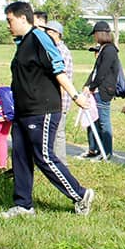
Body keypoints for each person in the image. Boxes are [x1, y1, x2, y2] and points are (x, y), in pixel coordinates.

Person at [0, 1, 94, 218]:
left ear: (23, 18)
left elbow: (58, 68)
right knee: (21, 157)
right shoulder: (22, 43)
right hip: (23, 111)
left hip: (42, 109)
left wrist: (76, 96)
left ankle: (80, 194)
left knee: (44, 156)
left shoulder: (39, 37)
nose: (8, 25)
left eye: (10, 20)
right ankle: (23, 205)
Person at [79, 21, 119, 161]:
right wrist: (87, 85)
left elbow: (102, 72)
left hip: (103, 91)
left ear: (100, 34)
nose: (94, 37)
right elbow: (95, 71)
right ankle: (96, 149)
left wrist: (92, 86)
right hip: (96, 90)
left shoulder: (110, 50)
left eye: (95, 34)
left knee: (104, 122)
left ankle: (106, 152)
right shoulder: (102, 49)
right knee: (95, 120)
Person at [39, 20, 73, 163]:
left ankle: (60, 162)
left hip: (59, 99)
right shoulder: (56, 49)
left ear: (55, 34)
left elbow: (60, 77)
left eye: (48, 32)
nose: (46, 35)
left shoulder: (59, 51)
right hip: (56, 99)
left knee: (57, 133)